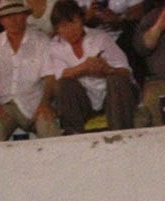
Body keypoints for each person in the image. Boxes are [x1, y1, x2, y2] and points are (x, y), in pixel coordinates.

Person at [45, 1, 137, 132]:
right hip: (85, 100)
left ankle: (120, 133)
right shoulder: (55, 46)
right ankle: (74, 135)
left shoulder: (100, 38)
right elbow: (60, 75)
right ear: (57, 29)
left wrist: (108, 70)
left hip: (111, 96)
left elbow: (126, 71)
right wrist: (84, 67)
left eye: (74, 23)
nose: (70, 30)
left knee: (116, 79)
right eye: (64, 26)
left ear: (82, 21)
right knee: (64, 84)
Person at [0, 0, 61, 142]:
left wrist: (45, 104)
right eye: (7, 16)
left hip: (35, 102)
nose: (13, 20)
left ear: (25, 16)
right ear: (1, 20)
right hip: (5, 105)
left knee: (46, 123)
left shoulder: (41, 41)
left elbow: (50, 78)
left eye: (17, 15)